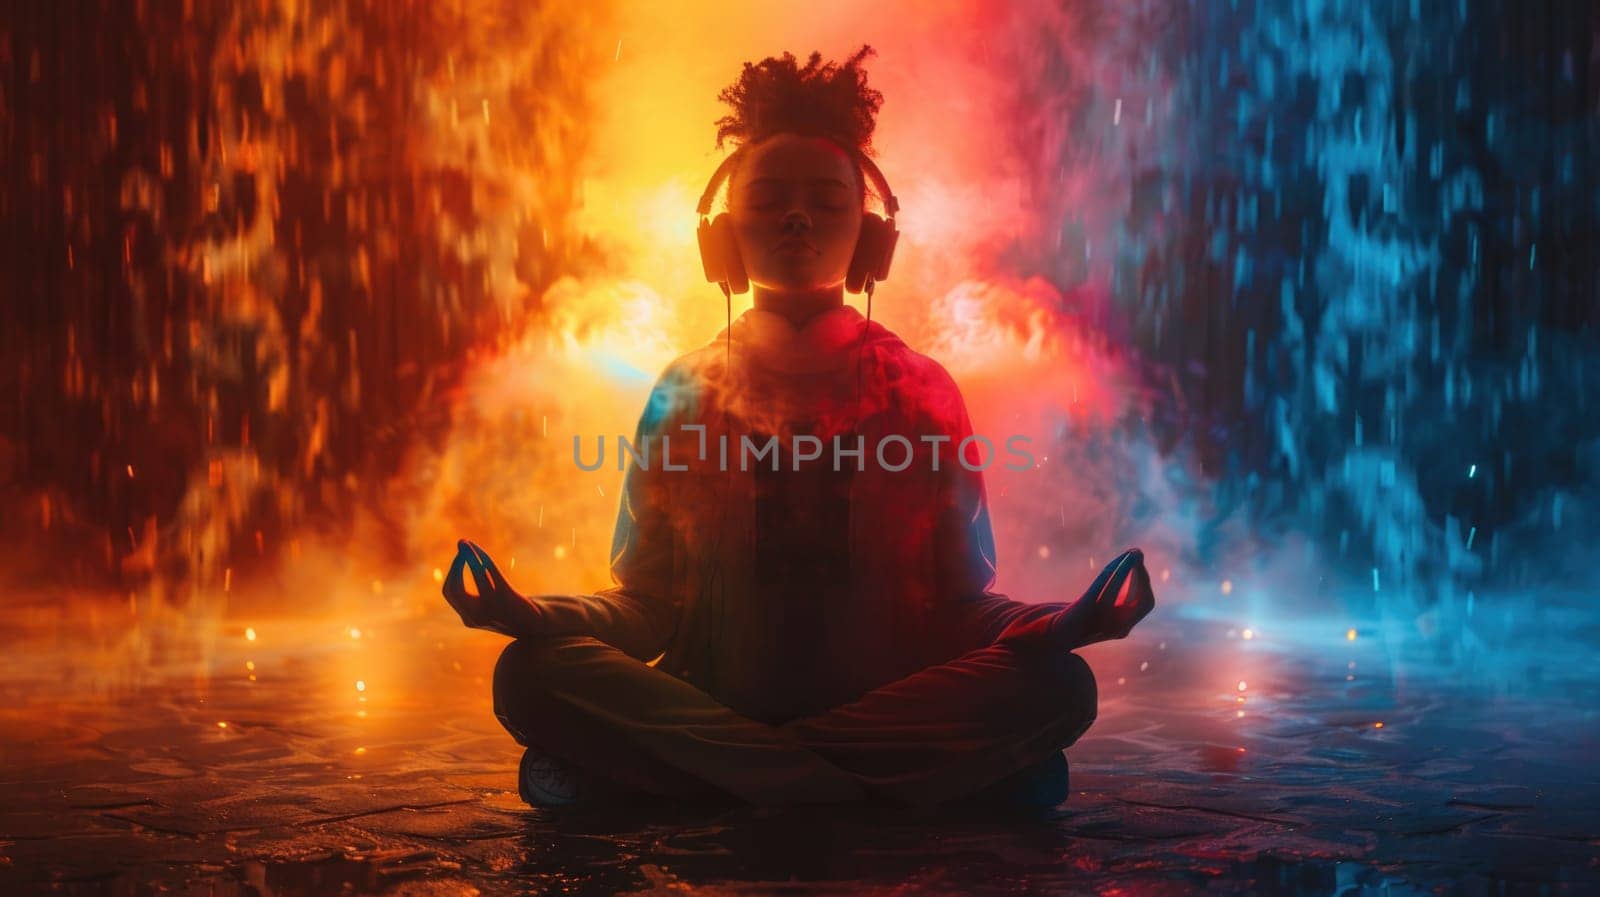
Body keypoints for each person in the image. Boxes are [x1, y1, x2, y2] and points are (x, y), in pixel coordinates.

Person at [442, 46, 1155, 812]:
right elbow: (647, 602)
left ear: (871, 240)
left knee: (1059, 684)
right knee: (530, 670)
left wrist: (1061, 621)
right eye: (770, 198)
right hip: (725, 707)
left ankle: (719, 781)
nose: (795, 218)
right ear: (722, 239)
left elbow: (957, 606)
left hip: (784, 722)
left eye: (824, 200)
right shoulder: (684, 391)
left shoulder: (922, 391)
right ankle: (854, 787)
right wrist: (532, 615)